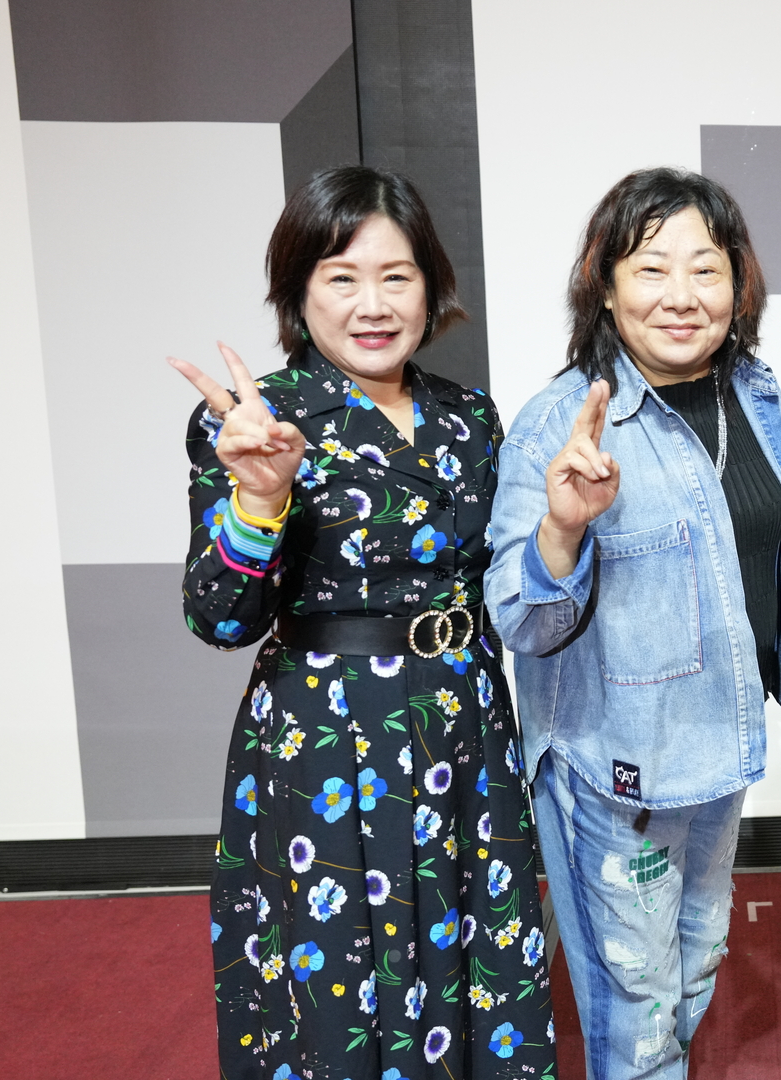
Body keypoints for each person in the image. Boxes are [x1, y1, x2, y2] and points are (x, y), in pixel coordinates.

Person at [175, 166, 556, 1079]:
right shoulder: (254, 418)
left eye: (397, 276)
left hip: (467, 726)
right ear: (298, 292)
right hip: (330, 738)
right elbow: (219, 619)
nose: (373, 305)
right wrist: (258, 501)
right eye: (341, 278)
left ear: (431, 286)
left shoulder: (470, 417)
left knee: (477, 960)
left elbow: (505, 581)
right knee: (343, 982)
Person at [486, 168, 781, 1080]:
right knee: (634, 1005)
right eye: (651, 268)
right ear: (605, 286)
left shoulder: (756, 396)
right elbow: (520, 619)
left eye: (705, 268)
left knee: (694, 966)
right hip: (616, 769)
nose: (681, 295)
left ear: (738, 281)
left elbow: (772, 555)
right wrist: (561, 531)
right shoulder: (561, 423)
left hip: (720, 749)